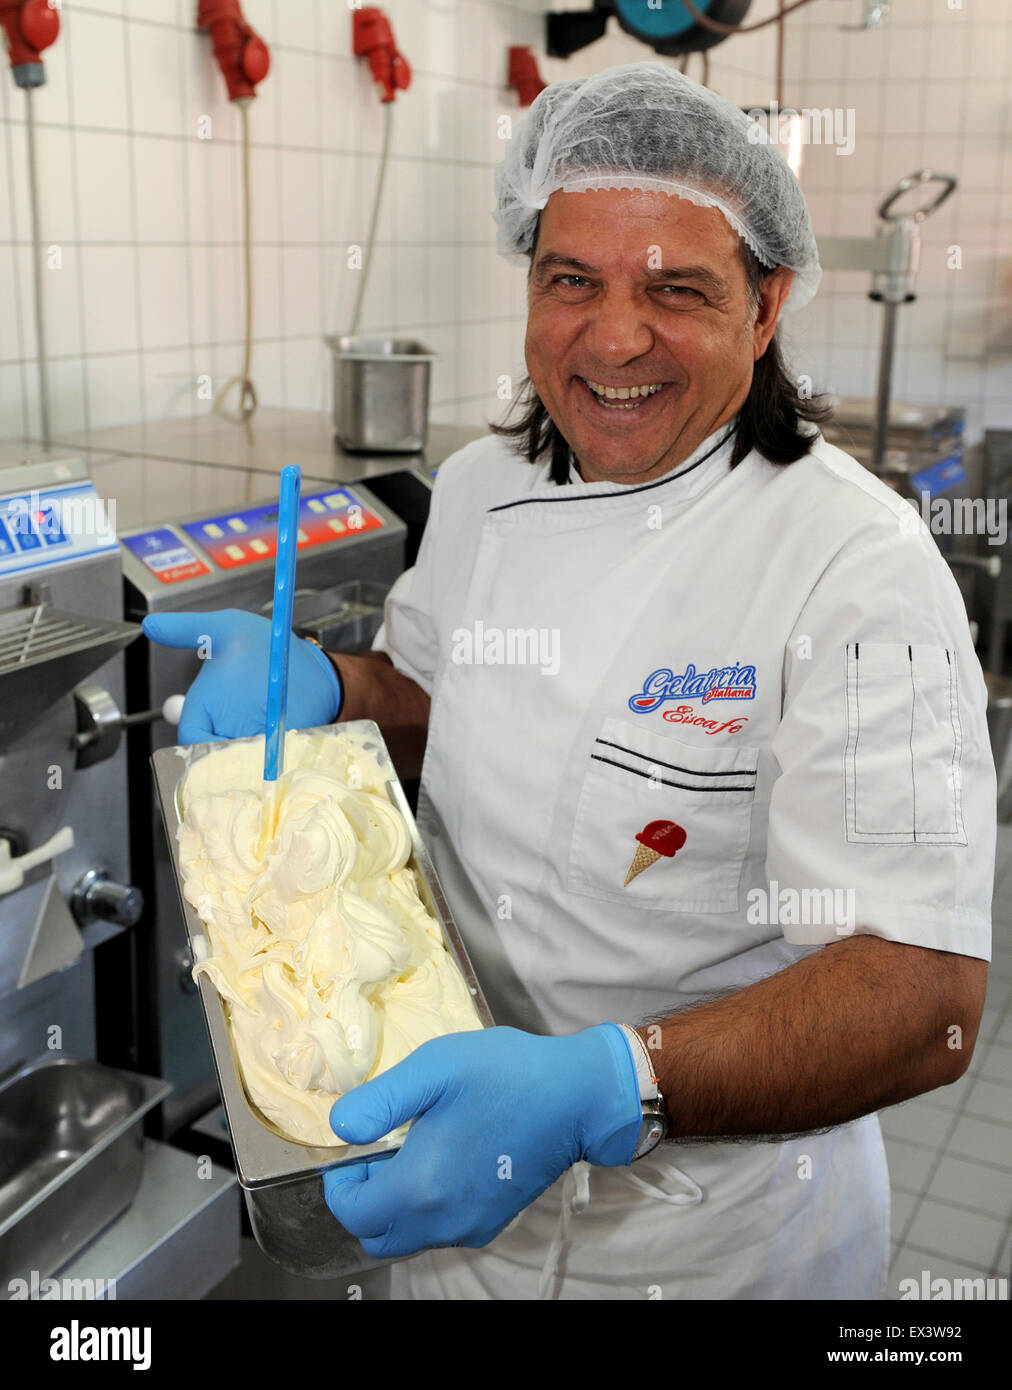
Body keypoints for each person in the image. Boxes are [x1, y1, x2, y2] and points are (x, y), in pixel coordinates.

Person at [144, 63, 994, 1301]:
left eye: (675, 289)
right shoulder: (487, 485)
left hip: (708, 1249)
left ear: (766, 308)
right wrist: (332, 685)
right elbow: (444, 702)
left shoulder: (856, 570)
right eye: (572, 280)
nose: (613, 335)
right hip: (452, 1213)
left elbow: (925, 995)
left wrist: (611, 1083)